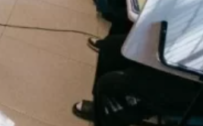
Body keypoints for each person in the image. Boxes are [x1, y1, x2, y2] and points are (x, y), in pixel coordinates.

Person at [72, 31, 203, 126]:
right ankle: (101, 110)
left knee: (110, 85)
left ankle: (116, 111)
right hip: (187, 51)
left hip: (194, 88)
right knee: (111, 48)